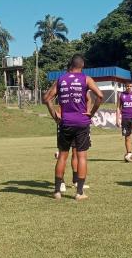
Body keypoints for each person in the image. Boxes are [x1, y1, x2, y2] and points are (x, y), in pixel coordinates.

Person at [43, 54, 103, 200]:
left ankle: (57, 191)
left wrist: (56, 117)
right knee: (82, 156)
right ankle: (79, 192)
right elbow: (100, 96)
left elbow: (46, 98)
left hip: (65, 122)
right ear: (82, 65)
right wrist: (91, 113)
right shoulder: (86, 79)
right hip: (82, 122)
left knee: (62, 156)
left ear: (71, 65)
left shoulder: (61, 79)